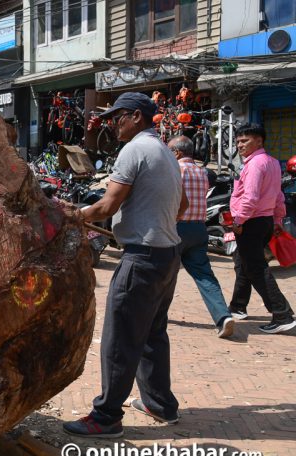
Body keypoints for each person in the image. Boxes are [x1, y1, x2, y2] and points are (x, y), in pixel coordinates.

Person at [62, 92, 185, 438]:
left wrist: (72, 215)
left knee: (120, 339)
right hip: (168, 254)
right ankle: (160, 405)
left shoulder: (134, 150)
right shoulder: (166, 152)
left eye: (119, 117)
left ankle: (107, 417)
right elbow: (183, 204)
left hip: (142, 259)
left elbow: (106, 206)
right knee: (152, 334)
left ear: (136, 117)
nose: (114, 123)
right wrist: (150, 220)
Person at [228, 123, 295, 334]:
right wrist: (276, 221)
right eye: (238, 141)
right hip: (264, 221)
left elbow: (250, 197)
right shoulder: (273, 163)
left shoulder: (255, 164)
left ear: (259, 141)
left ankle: (282, 314)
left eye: (245, 141)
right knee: (244, 263)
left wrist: (238, 221)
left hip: (251, 222)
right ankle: (238, 306)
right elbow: (278, 196)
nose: (240, 145)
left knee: (255, 268)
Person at [167, 136, 235, 338]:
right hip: (199, 228)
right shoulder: (202, 172)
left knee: (165, 274)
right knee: (205, 275)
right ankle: (223, 316)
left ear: (177, 153)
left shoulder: (175, 169)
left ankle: (155, 314)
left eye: (169, 151)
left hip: (177, 228)